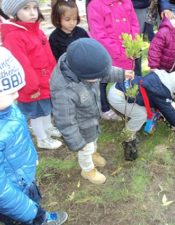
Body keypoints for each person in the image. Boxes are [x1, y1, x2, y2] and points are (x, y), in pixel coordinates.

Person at [50, 38, 134, 185]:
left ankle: (92, 152)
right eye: (95, 78)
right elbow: (65, 121)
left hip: (91, 118)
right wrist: (77, 142)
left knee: (93, 141)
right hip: (80, 127)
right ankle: (88, 170)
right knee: (85, 149)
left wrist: (122, 74)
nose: (98, 79)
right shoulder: (64, 90)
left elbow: (104, 72)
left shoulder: (85, 67)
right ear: (83, 74)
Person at [0, 47, 68, 225]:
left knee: (33, 203)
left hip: (24, 176)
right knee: (24, 218)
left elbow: (21, 136)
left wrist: (32, 156)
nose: (17, 94)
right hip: (13, 195)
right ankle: (40, 218)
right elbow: (2, 193)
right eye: (9, 91)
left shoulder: (9, 109)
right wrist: (29, 212)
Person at [1, 0, 62, 149]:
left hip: (45, 80)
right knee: (36, 113)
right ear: (14, 13)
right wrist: (32, 88)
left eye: (35, 7)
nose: (33, 12)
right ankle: (42, 138)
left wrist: (55, 73)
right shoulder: (14, 36)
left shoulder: (37, 30)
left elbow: (48, 55)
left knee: (46, 108)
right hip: (32, 86)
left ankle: (47, 126)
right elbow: (22, 64)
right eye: (26, 8)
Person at [108, 69, 175, 161]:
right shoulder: (161, 92)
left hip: (118, 87)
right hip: (118, 97)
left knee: (146, 108)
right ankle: (128, 135)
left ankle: (128, 117)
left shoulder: (161, 78)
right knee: (142, 115)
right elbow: (170, 114)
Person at [86, 0, 140, 120]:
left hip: (128, 50)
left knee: (127, 78)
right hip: (109, 53)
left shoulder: (127, 1)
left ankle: (126, 102)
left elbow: (134, 23)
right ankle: (104, 108)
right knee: (103, 81)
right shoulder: (95, 5)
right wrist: (121, 52)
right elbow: (99, 35)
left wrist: (134, 46)